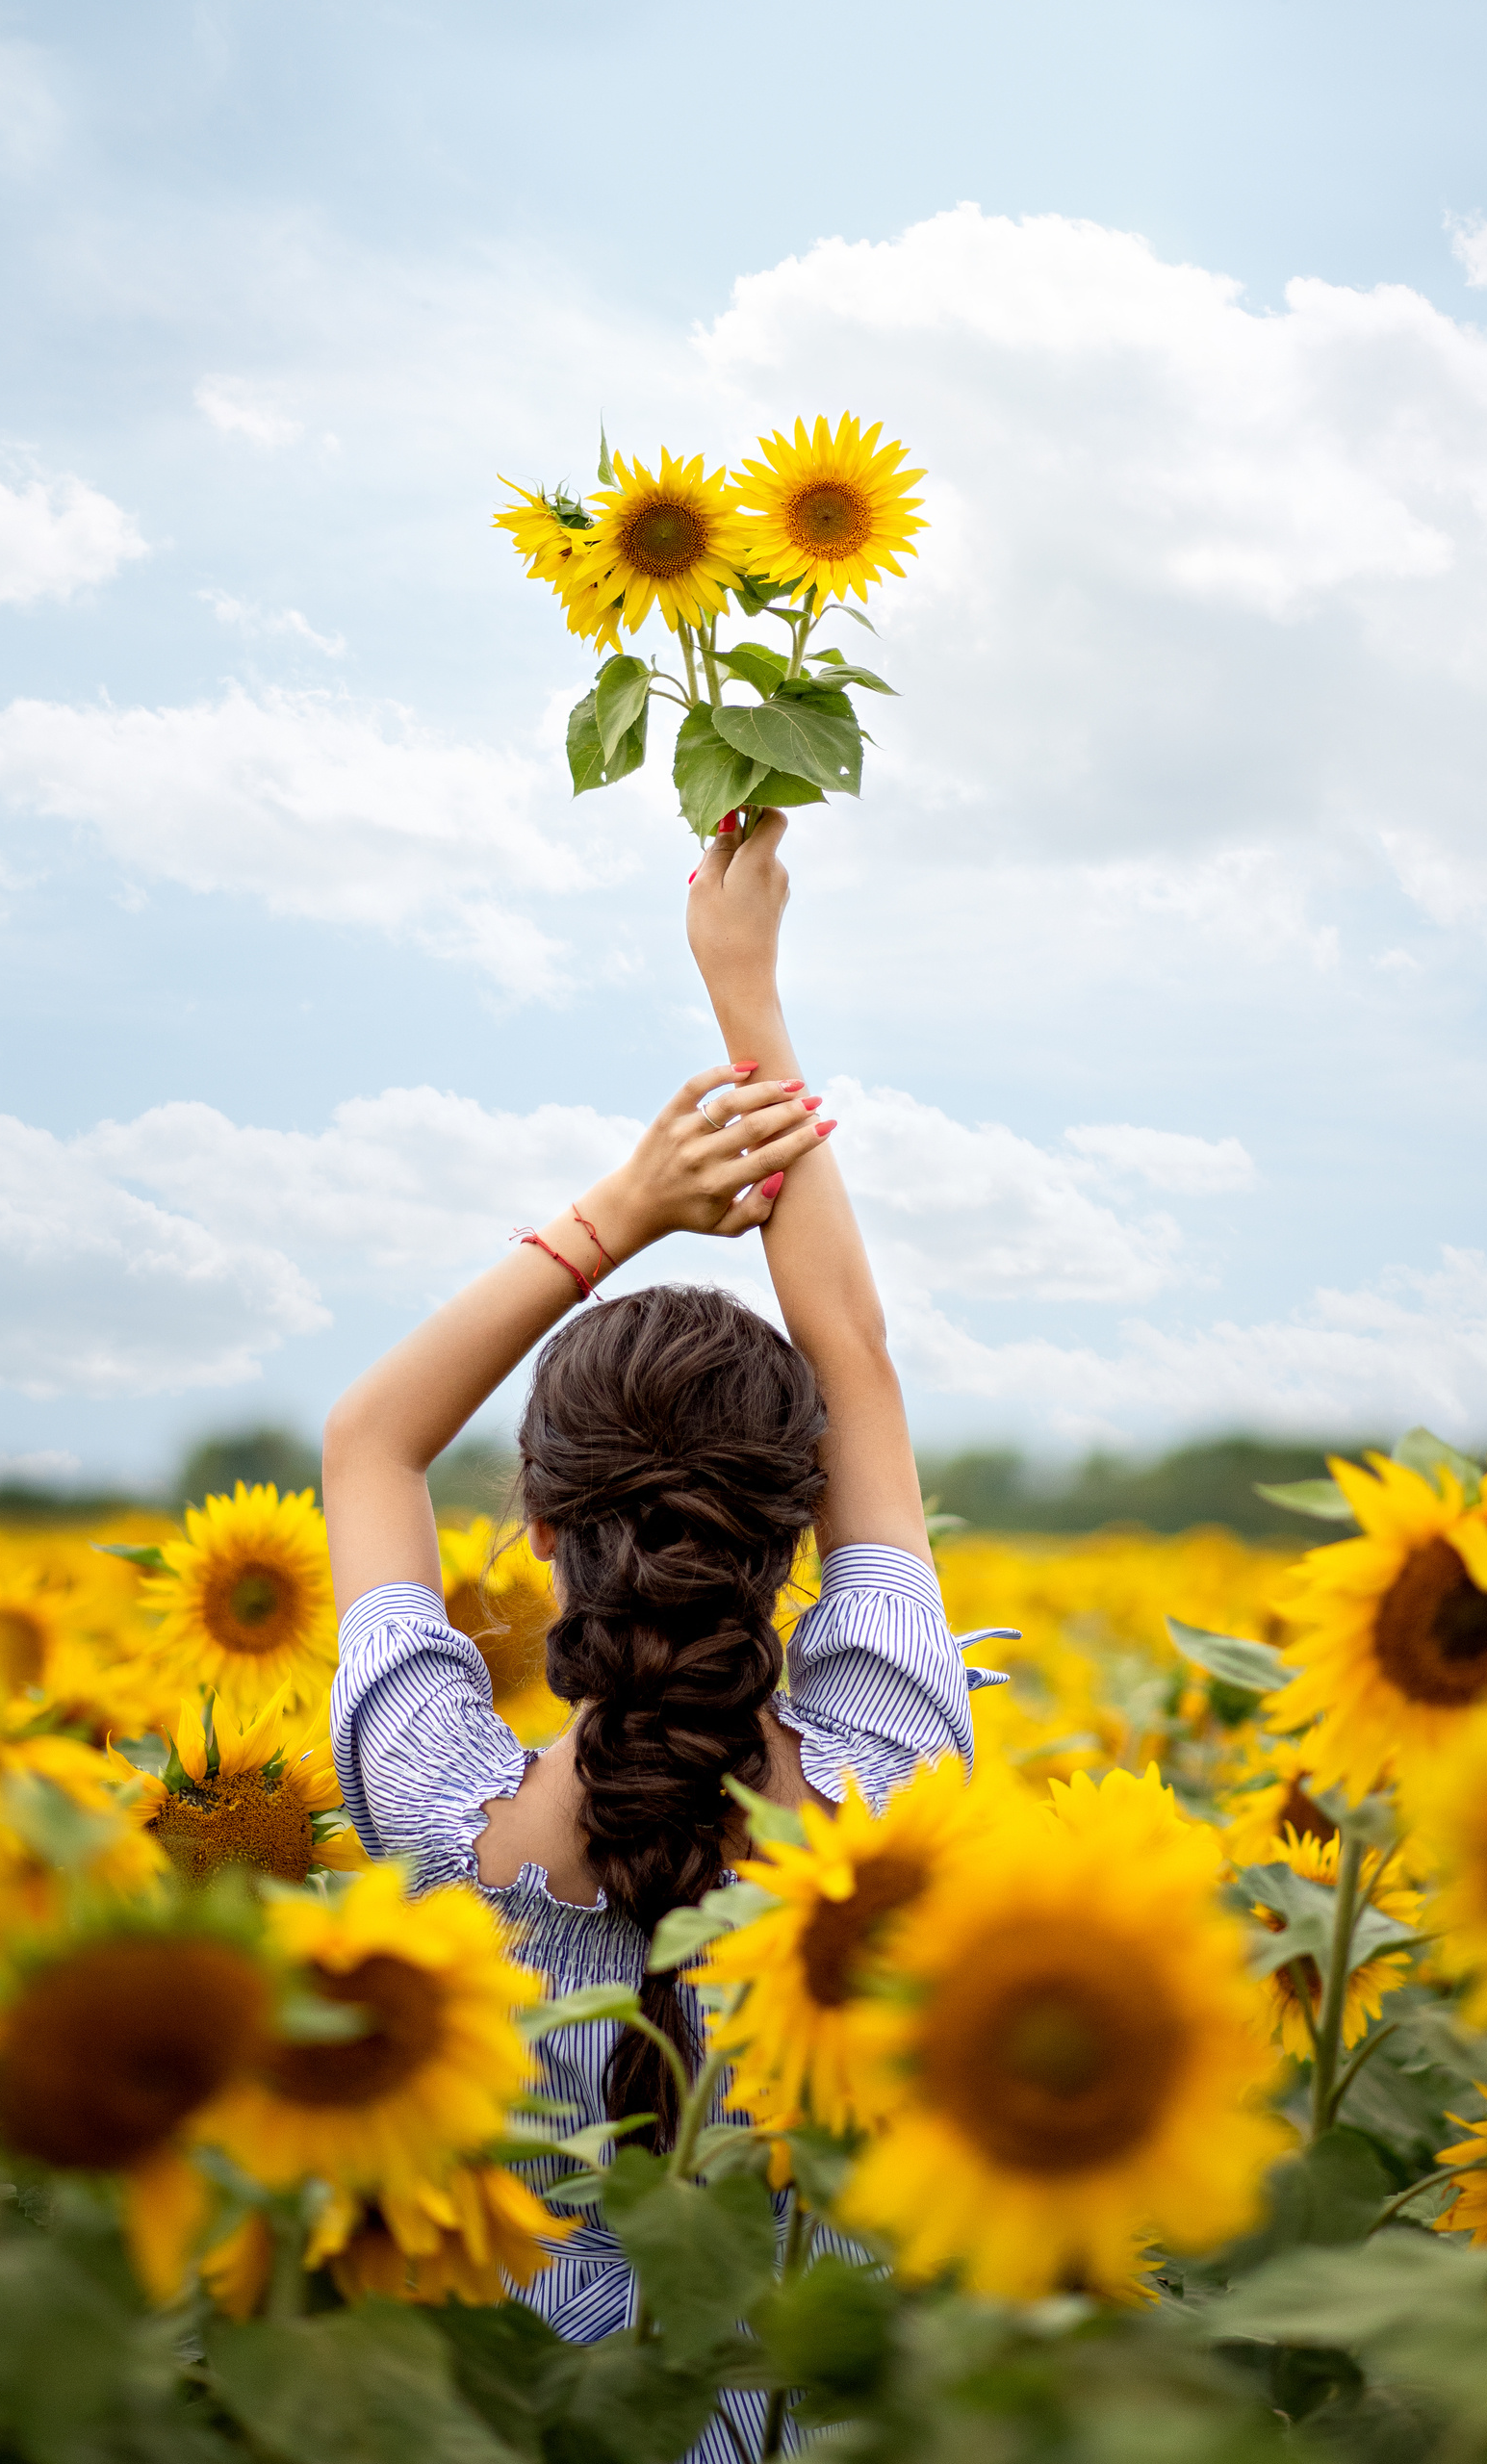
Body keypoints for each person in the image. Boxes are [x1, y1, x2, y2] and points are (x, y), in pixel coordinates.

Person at [324, 812, 977, 2426]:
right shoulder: (893, 1798)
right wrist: (745, 986)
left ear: (541, 1532)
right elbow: (854, 1354)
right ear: (796, 1531)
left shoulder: (431, 1814)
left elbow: (370, 1443)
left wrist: (622, 1208)